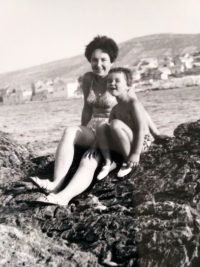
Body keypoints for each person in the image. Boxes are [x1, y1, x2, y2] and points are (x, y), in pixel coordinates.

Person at [30, 35, 169, 206]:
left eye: (103, 60)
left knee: (88, 160)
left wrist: (155, 133)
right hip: (94, 129)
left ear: (111, 61)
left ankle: (63, 198)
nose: (98, 64)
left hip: (112, 131)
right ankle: (56, 184)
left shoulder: (118, 81)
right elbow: (87, 108)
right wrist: (82, 133)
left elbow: (138, 109)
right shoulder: (88, 79)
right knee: (70, 131)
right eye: (94, 60)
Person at [96, 67, 153, 180]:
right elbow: (107, 132)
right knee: (101, 126)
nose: (112, 83)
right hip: (125, 141)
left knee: (115, 124)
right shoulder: (115, 109)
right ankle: (108, 163)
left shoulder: (133, 104)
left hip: (142, 142)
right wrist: (93, 147)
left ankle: (128, 162)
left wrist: (136, 154)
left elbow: (141, 129)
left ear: (128, 86)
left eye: (117, 81)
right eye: (109, 81)